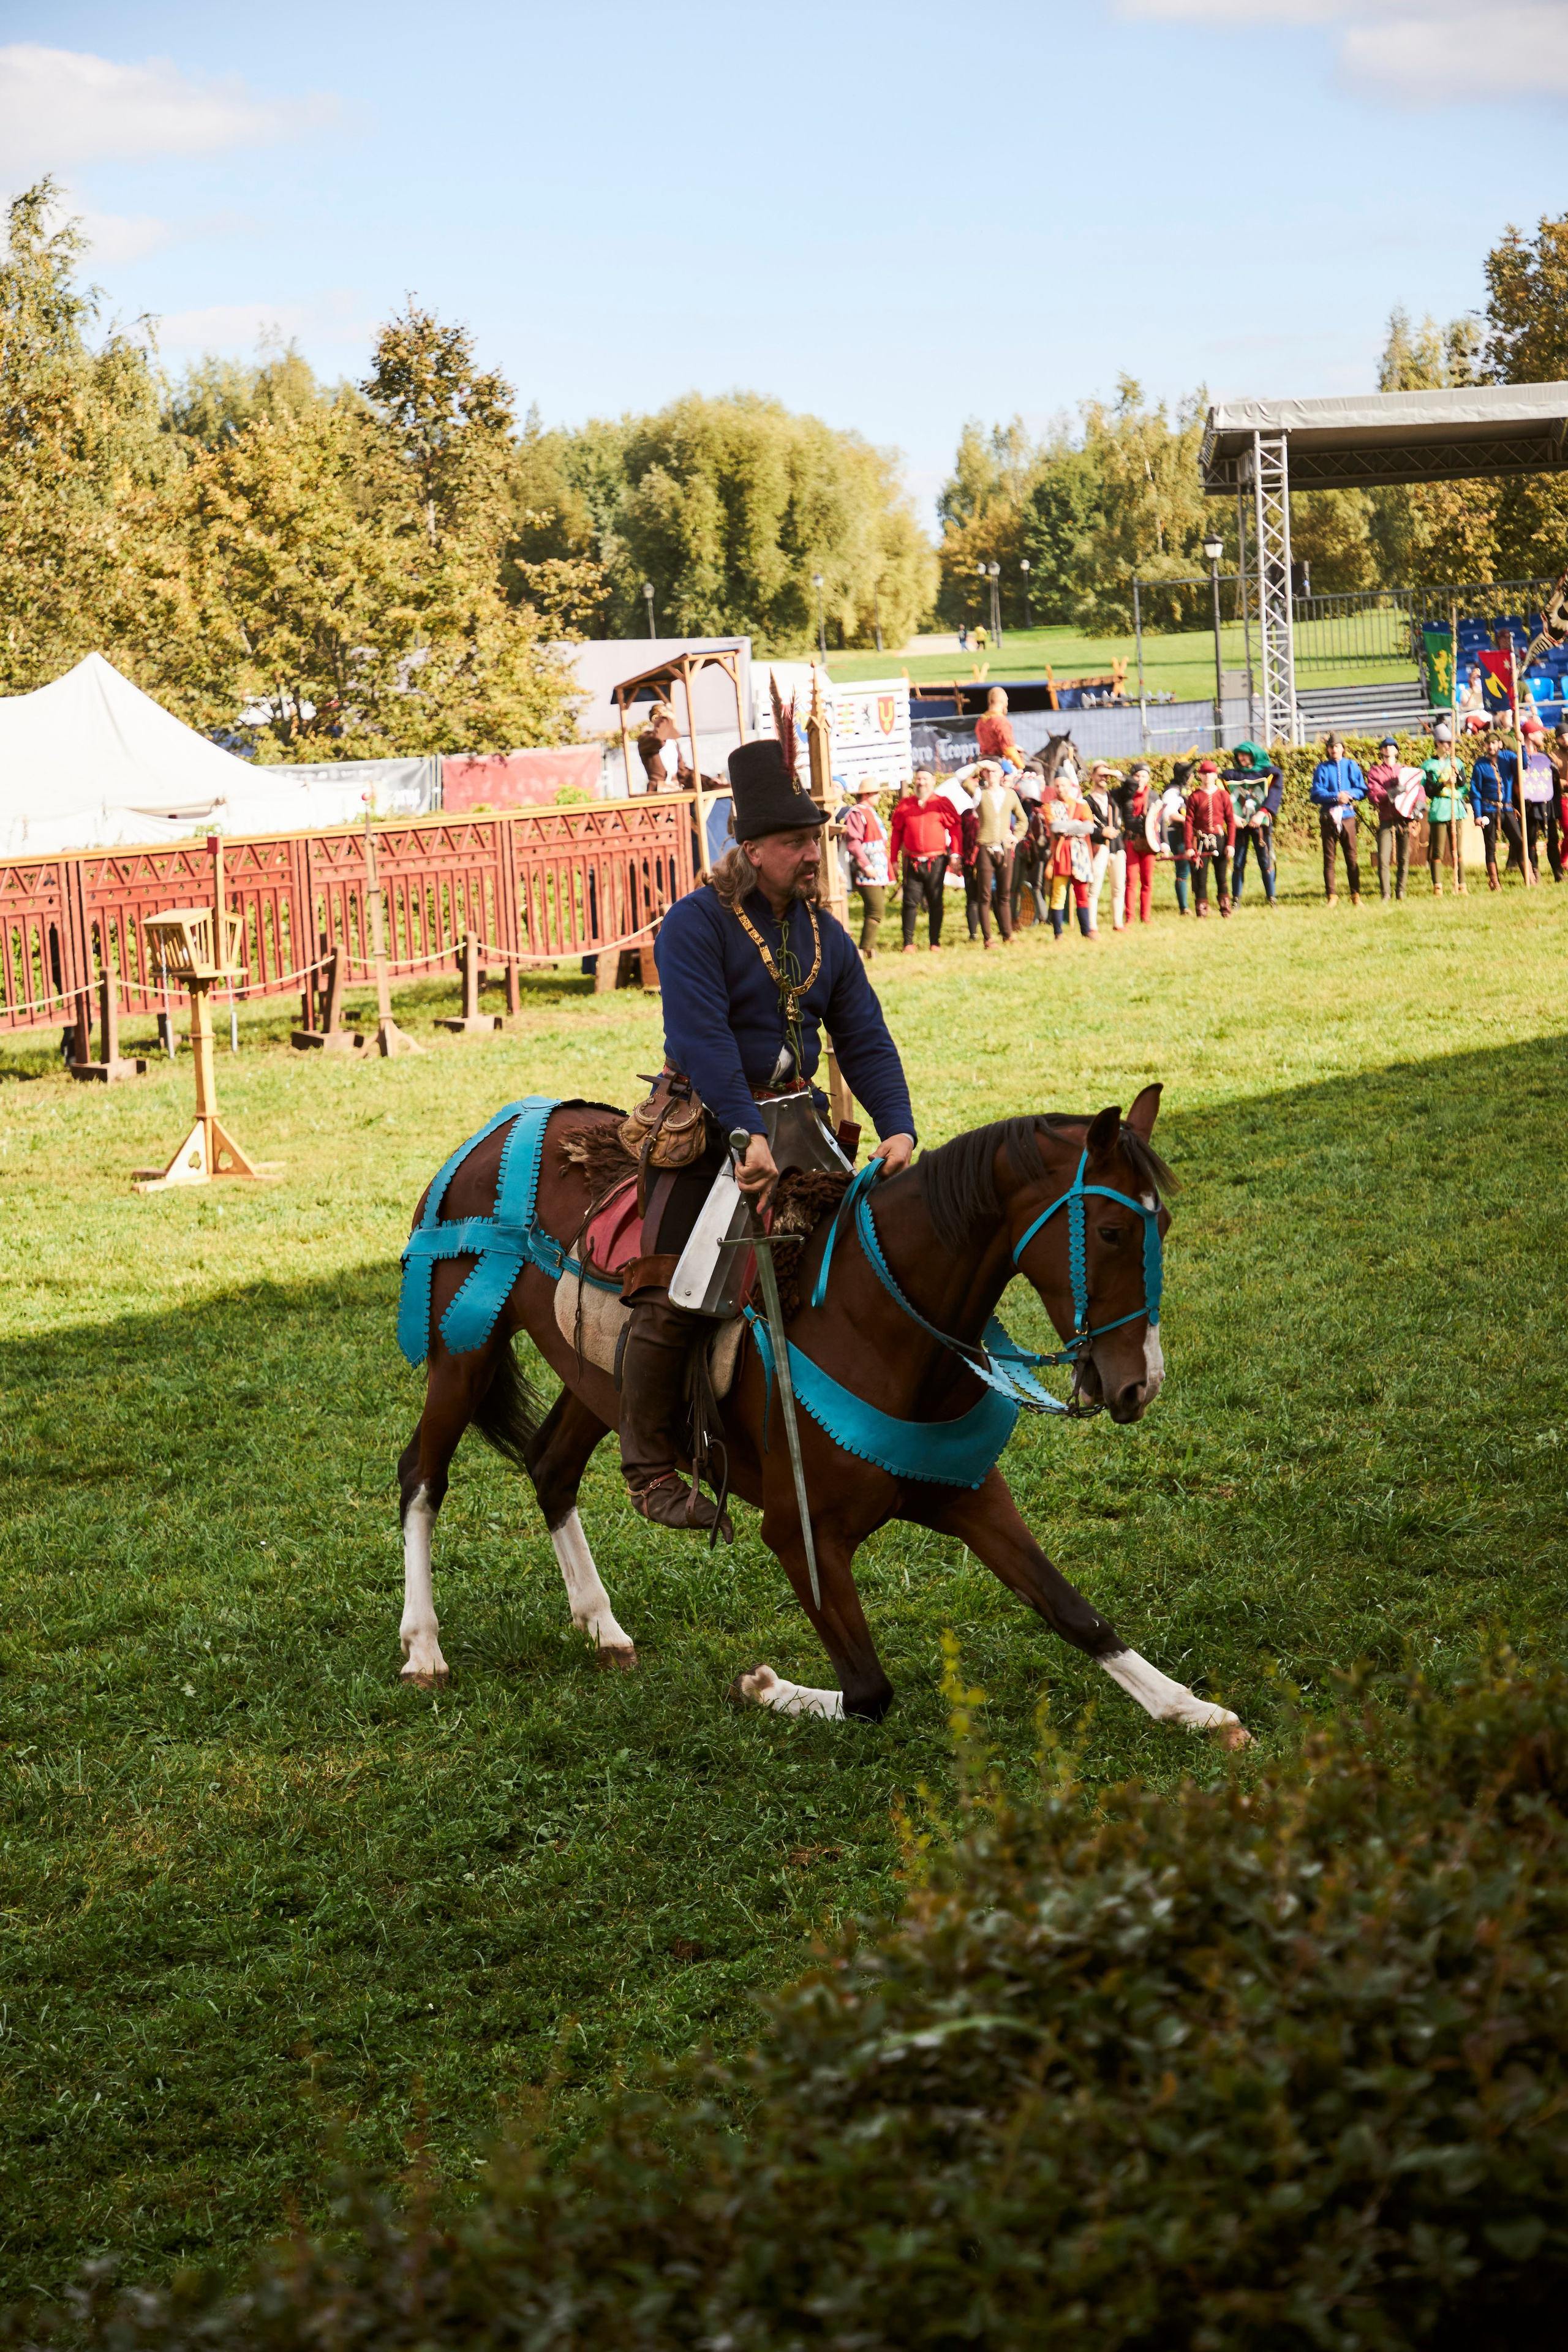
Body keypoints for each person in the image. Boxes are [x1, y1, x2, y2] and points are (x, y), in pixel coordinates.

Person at [637, 730, 916, 1528]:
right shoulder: (696, 925)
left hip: (801, 1122)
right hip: (708, 1119)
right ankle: (652, 1466)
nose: (812, 854)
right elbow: (701, 1040)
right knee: (681, 1279)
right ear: (752, 848)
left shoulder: (825, 933)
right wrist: (741, 1132)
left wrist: (896, 1126)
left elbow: (863, 1036)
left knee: (868, 1257)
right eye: (796, 842)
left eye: (814, 839)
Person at [889, 766, 961, 951]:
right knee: (910, 903)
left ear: (933, 781)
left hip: (936, 861)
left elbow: (955, 829)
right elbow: (897, 832)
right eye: (919, 779)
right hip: (912, 862)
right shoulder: (906, 804)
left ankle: (935, 942)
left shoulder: (942, 803)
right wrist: (894, 859)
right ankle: (908, 943)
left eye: (925, 779)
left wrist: (955, 853)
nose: (921, 783)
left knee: (936, 902)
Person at [972, 758, 1027, 947]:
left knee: (1004, 894)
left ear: (1002, 774)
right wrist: (981, 764)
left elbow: (1023, 820)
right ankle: (988, 938)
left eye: (995, 771)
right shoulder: (979, 794)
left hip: (1004, 848)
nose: (991, 774)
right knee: (985, 895)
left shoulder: (1010, 794)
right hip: (986, 847)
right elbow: (961, 779)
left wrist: (1016, 837)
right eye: (988, 772)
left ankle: (1007, 934)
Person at [1310, 732, 1366, 905]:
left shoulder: (1351, 765)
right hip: (1329, 817)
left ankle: (1355, 895)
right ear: (1328, 749)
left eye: (1337, 747)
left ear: (1343, 748)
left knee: (1351, 857)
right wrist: (1336, 796)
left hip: (1348, 816)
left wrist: (1349, 795)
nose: (1334, 750)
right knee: (1329, 858)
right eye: (1331, 747)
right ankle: (1331, 896)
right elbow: (1316, 794)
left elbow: (1362, 789)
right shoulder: (1322, 769)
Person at [1224, 742, 1283, 906]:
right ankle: (1236, 900)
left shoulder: (1268, 773)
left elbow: (1274, 793)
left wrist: (1263, 812)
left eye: (1245, 754)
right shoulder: (1231, 775)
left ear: (1254, 755)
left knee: (1265, 862)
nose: (1242, 758)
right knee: (1238, 863)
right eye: (1239, 755)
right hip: (1239, 826)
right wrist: (1231, 816)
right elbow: (1222, 794)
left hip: (1260, 825)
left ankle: (1271, 898)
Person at [840, 775, 891, 956]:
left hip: (877, 869)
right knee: (876, 910)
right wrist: (866, 866)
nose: (880, 797)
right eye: (877, 793)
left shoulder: (870, 811)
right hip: (866, 870)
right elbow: (854, 843)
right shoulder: (857, 813)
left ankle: (867, 948)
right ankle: (866, 949)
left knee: (874, 910)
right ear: (868, 794)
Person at [1363, 734, 1418, 902]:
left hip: (1404, 818)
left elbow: (1417, 788)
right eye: (1385, 746)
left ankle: (1400, 891)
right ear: (1381, 751)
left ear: (1397, 751)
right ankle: (1386, 894)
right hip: (1386, 818)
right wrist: (1392, 792)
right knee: (1383, 858)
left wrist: (1419, 804)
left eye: (1392, 746)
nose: (1388, 748)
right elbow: (1373, 795)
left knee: (1404, 858)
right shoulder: (1375, 772)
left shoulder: (1405, 770)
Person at [1468, 730, 1524, 888]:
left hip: (1507, 809)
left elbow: (1524, 765)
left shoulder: (1509, 757)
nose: (1491, 746)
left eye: (1494, 743)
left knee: (1519, 842)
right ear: (1485, 745)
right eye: (1489, 743)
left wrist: (1523, 744)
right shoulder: (1480, 764)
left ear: (1499, 744)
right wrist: (1478, 815)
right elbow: (1475, 791)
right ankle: (1495, 882)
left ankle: (1529, 877)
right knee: (1491, 846)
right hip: (1489, 810)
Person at [1047, 763, 1095, 940]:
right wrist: (1076, 825)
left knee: (1082, 893)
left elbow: (1089, 828)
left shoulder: (1081, 805)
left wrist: (1068, 827)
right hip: (1061, 853)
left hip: (1079, 853)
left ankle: (1086, 931)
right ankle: (1058, 933)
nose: (1061, 789)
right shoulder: (1049, 807)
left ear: (1069, 786)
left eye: (1064, 785)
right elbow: (1054, 826)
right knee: (1059, 893)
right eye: (1058, 785)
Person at [1419, 725, 1468, 895]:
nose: (1450, 746)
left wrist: (1457, 771)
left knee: (1458, 850)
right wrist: (1444, 783)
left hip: (1456, 807)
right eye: (1447, 743)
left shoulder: (1457, 761)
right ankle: (1438, 886)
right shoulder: (1429, 765)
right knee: (1438, 850)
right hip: (1440, 808)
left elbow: (1463, 784)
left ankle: (1462, 884)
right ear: (1439, 743)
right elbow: (1430, 790)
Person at [1185, 759, 1235, 918]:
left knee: (1221, 876)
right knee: (1200, 878)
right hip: (1200, 841)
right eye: (1204, 773)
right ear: (1200, 775)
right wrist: (1188, 847)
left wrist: (1231, 844)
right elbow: (1188, 823)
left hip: (1220, 840)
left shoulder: (1224, 795)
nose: (1207, 777)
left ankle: (1225, 910)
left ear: (1215, 776)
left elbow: (1231, 821)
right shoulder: (1194, 797)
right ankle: (1202, 912)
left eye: (1211, 774)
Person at [1083, 762, 1126, 936]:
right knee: (1094, 888)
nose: (1104, 778)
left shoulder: (1114, 796)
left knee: (1118, 887)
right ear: (1092, 776)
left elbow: (1131, 784)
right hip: (1099, 847)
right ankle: (1092, 926)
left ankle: (1118, 923)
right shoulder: (1086, 801)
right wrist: (1102, 832)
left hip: (1117, 847)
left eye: (1106, 775)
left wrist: (1113, 772)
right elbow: (1084, 826)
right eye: (1100, 774)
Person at [1519, 717, 1561, 883]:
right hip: (1530, 805)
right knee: (1530, 841)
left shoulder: (1544, 757)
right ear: (1530, 736)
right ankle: (1535, 873)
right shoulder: (1521, 758)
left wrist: (1555, 774)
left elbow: (1553, 783)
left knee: (1553, 839)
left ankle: (1558, 873)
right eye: (1539, 733)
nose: (1543, 737)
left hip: (1546, 803)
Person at [1010, 760, 1050, 927]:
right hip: (1020, 846)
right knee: (1018, 885)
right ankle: (1016, 918)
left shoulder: (1043, 799)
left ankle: (1043, 917)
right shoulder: (1015, 796)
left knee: (1036, 884)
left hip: (1038, 848)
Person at [1120, 761, 1158, 924]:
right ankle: (1130, 917)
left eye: (1144, 776)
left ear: (1148, 778)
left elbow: (1159, 819)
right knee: (1131, 881)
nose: (1141, 779)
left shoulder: (1154, 796)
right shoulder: (1126, 796)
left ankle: (1146, 916)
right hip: (1131, 841)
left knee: (1147, 881)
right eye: (1137, 776)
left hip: (1149, 842)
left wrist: (1163, 842)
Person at [638, 700, 692, 793]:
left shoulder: (672, 742)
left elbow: (683, 771)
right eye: (664, 719)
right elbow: (658, 739)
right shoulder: (645, 739)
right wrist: (666, 719)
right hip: (657, 790)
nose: (668, 723)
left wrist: (709, 782)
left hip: (676, 788)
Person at [1164, 760, 1194, 913]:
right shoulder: (1172, 792)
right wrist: (1192, 822)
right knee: (1182, 870)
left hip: (1188, 832)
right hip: (1178, 833)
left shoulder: (1184, 791)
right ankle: (1184, 907)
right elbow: (1170, 815)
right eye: (1191, 774)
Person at [974, 686, 1020, 766]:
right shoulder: (1001, 721)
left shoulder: (981, 721)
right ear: (1003, 701)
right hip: (999, 762)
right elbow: (1009, 750)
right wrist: (1020, 766)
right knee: (1037, 767)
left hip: (984, 759)